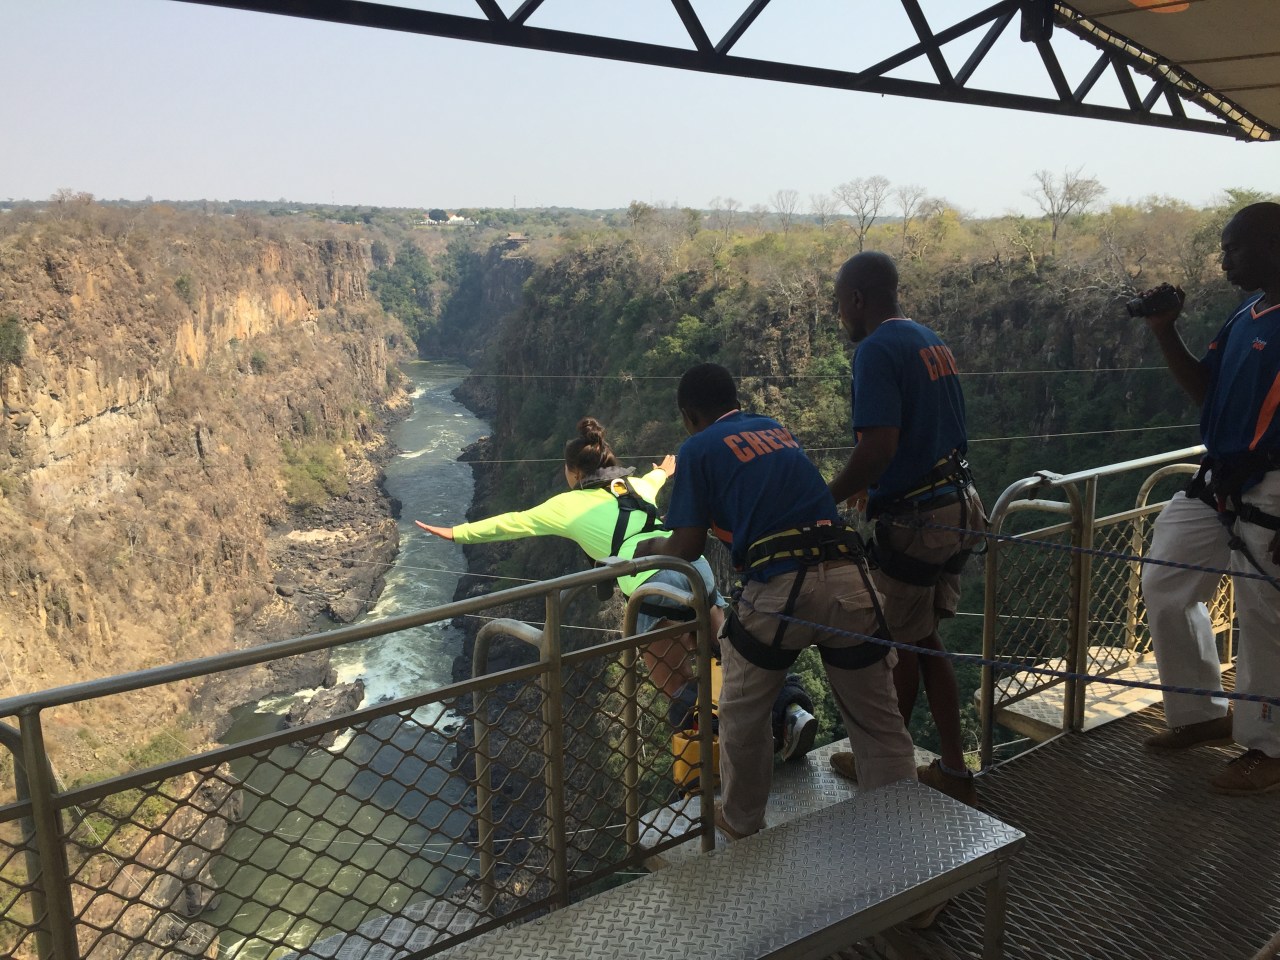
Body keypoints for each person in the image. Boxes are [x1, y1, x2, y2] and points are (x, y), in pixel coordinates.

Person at [418, 417, 819, 759]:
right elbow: (657, 476)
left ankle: (724, 757)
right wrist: (665, 467)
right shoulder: (635, 488)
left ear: (574, 472)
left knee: (676, 683)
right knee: (735, 654)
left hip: (653, 582)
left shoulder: (566, 505)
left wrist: (456, 533)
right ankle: (791, 715)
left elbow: (511, 522)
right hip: (695, 566)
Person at [634, 364, 915, 840]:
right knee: (877, 721)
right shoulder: (773, 429)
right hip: (849, 574)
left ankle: (742, 822)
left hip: (780, 586)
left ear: (688, 415)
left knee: (743, 711)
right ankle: (907, 849)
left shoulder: (697, 448)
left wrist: (647, 551)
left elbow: (685, 547)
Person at [826, 251, 985, 806]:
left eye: (839, 302)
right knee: (923, 638)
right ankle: (954, 767)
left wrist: (825, 500)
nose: (840, 314)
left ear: (857, 300)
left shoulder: (874, 351)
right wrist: (876, 481)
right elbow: (925, 429)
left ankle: (885, 775)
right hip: (960, 503)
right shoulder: (926, 337)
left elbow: (879, 445)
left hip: (920, 519)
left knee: (885, 648)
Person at [1139, 201, 1280, 795]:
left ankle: (1268, 746)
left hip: (1272, 486)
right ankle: (1200, 713)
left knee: (1262, 615)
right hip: (1219, 478)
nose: (1222, 260)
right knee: (1165, 582)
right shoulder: (1248, 315)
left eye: (1234, 248)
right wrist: (1165, 328)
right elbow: (1205, 388)